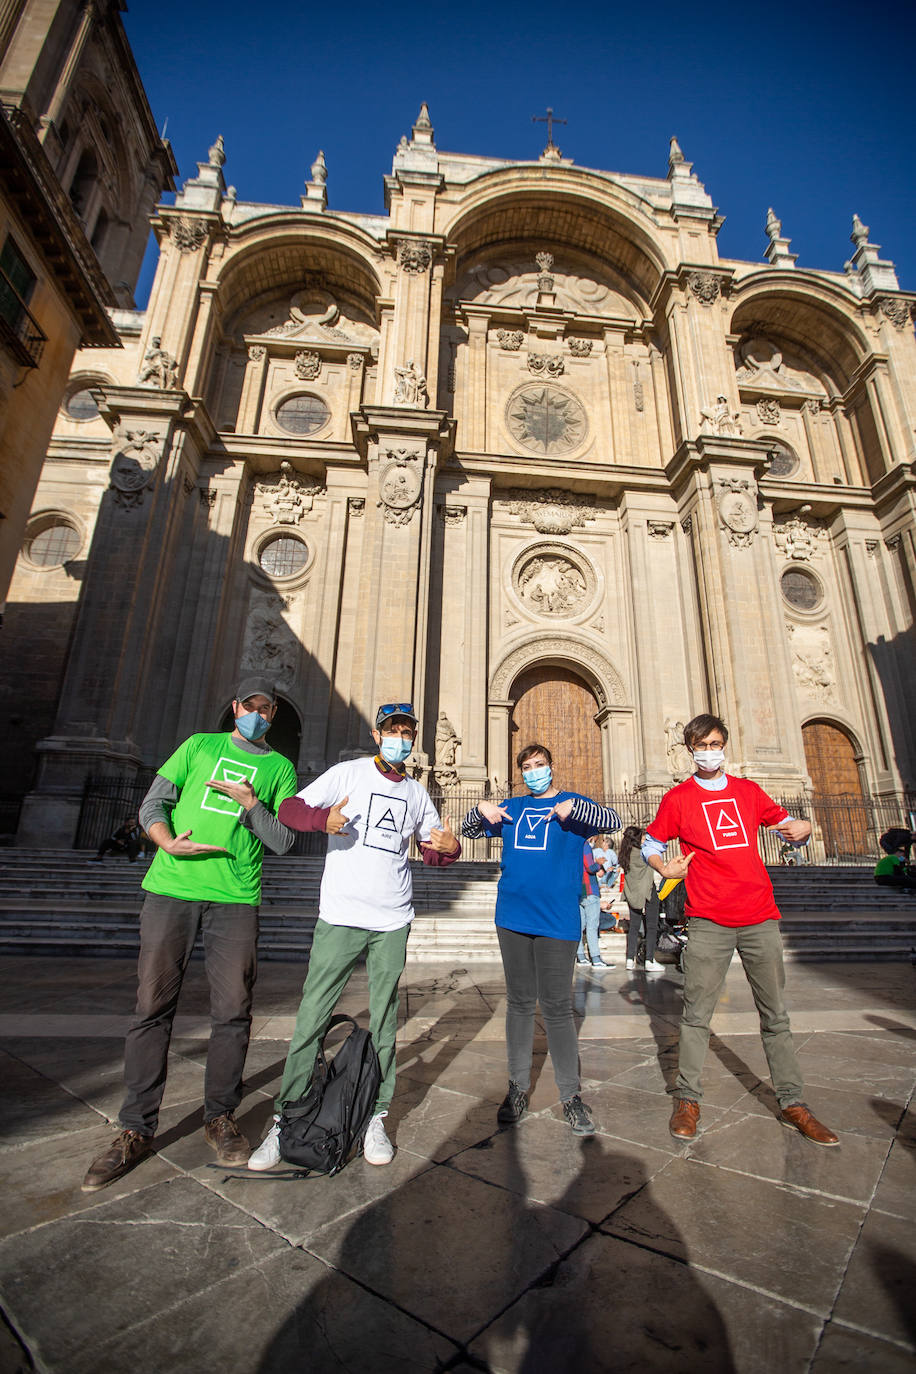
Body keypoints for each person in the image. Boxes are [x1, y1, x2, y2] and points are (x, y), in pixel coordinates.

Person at [81, 676, 299, 1191]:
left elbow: (284, 841)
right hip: (171, 887)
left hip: (236, 897)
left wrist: (252, 804)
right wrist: (163, 843)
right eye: (253, 706)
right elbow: (153, 805)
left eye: (268, 710)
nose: (260, 715)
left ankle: (220, 1116)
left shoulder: (279, 768)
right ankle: (135, 1127)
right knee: (152, 1007)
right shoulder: (199, 746)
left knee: (233, 1011)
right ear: (236, 707)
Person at [248, 702, 460, 1171]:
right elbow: (289, 808)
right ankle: (286, 1120)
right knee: (312, 1015)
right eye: (392, 730)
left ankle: (375, 1117)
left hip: (392, 919)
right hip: (341, 915)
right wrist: (321, 822)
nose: (400, 738)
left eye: (407, 731)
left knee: (384, 1018)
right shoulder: (347, 774)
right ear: (376, 733)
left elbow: (433, 852)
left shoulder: (417, 793)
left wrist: (452, 848)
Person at [643, 712, 838, 1146]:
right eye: (702, 745)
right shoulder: (678, 799)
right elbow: (651, 843)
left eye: (715, 744)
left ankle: (793, 1103)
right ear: (690, 749)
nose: (709, 751)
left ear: (724, 745)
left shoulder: (749, 791)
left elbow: (786, 825)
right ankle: (688, 1099)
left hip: (760, 917)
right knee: (696, 1016)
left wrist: (802, 830)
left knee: (775, 1016)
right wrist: (662, 865)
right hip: (709, 919)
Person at [462, 744, 621, 1136]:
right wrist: (478, 811)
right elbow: (468, 831)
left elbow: (613, 819)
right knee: (518, 1003)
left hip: (557, 920)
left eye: (540, 765)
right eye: (528, 767)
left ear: (552, 767)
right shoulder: (512, 808)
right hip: (512, 917)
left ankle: (571, 1095)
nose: (534, 771)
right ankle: (517, 1087)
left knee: (557, 1008)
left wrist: (575, 811)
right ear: (521, 772)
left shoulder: (573, 804)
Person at [618, 824, 665, 972]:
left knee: (634, 927)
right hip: (647, 891)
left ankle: (630, 959)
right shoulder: (643, 853)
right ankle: (649, 959)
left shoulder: (625, 854)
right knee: (651, 926)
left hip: (632, 892)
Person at [577, 837, 614, 969]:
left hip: (579, 889)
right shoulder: (585, 845)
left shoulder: (575, 844)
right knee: (592, 925)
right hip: (589, 889)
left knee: (580, 925)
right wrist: (598, 863)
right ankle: (596, 957)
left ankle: (580, 955)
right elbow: (590, 867)